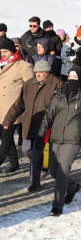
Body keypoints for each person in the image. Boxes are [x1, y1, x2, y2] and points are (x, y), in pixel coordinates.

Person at [36, 67, 81, 216]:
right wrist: (40, 136)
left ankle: (57, 206)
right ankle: (72, 188)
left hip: (73, 138)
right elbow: (48, 116)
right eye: (70, 75)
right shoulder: (59, 94)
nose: (71, 78)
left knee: (63, 171)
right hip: (56, 137)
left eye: (75, 76)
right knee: (53, 170)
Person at [2, 59, 63, 191]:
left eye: (41, 72)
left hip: (46, 125)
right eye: (36, 72)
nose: (38, 74)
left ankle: (34, 181)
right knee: (26, 149)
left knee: (36, 152)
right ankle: (41, 165)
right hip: (29, 124)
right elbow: (19, 105)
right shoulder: (29, 84)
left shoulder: (57, 83)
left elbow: (63, 107)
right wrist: (8, 121)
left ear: (47, 72)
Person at [0, 37, 34, 174]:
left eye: (5, 51)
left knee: (7, 136)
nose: (2, 54)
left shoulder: (24, 66)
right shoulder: (1, 64)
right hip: (1, 108)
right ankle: (14, 163)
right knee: (3, 136)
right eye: (1, 51)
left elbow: (31, 88)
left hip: (14, 109)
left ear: (13, 50)